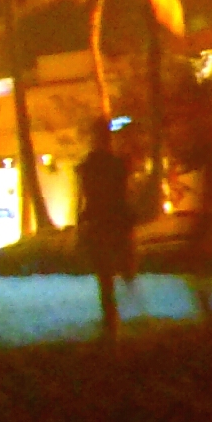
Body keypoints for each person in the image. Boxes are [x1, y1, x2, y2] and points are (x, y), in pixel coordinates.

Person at [75, 121, 138, 341]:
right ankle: (117, 319)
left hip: (101, 221)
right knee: (114, 271)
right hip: (113, 221)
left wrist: (80, 223)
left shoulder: (89, 165)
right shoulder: (114, 164)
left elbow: (84, 196)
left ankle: (111, 322)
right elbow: (122, 193)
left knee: (105, 277)